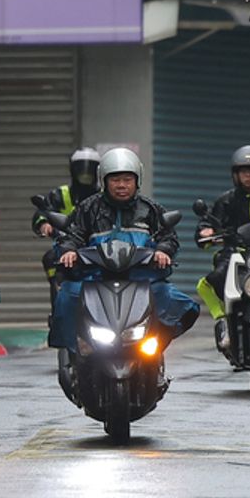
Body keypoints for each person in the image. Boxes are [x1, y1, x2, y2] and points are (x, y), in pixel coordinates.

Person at [49, 148, 199, 351]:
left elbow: (168, 236)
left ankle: (155, 341)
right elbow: (73, 234)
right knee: (66, 296)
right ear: (104, 181)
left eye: (127, 179)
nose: (121, 185)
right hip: (95, 278)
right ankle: (75, 350)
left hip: (142, 278)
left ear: (137, 180)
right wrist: (69, 250)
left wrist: (163, 250)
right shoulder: (88, 208)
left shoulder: (151, 209)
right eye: (115, 180)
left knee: (183, 305)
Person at [195, 145, 250, 352]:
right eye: (243, 171)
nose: (248, 175)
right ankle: (222, 321)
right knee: (208, 283)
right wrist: (206, 232)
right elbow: (209, 222)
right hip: (234, 252)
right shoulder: (226, 200)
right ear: (235, 175)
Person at [33, 148, 101, 305]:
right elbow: (44, 211)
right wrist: (44, 223)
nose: (85, 174)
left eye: (89, 169)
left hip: (98, 247)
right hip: (65, 245)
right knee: (51, 259)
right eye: (81, 169)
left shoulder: (104, 195)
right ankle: (58, 304)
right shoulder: (60, 194)